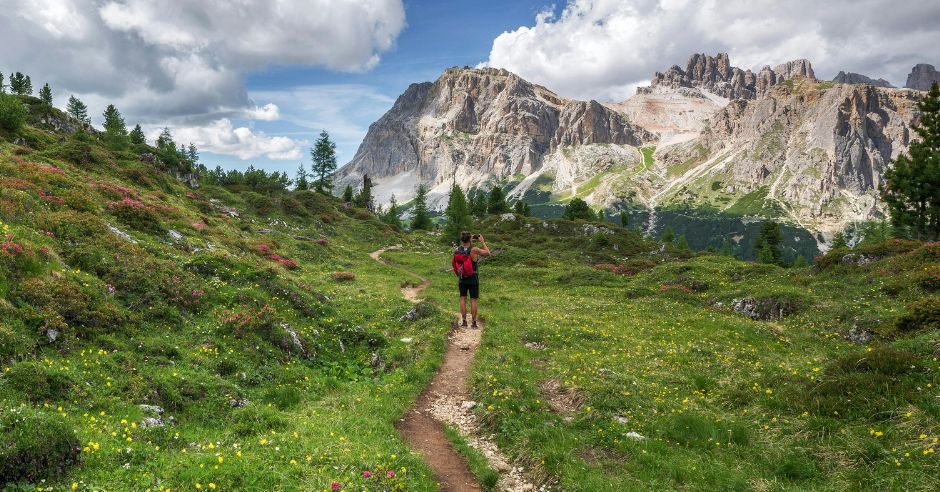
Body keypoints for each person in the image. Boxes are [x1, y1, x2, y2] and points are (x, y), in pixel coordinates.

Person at [454, 231, 491, 328]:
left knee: (462, 298)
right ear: (470, 239)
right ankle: (474, 323)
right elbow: (488, 253)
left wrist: (470, 239)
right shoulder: (474, 250)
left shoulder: (458, 249)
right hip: (473, 278)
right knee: (473, 300)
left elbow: (456, 260)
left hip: (462, 278)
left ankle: (464, 322)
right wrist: (482, 242)